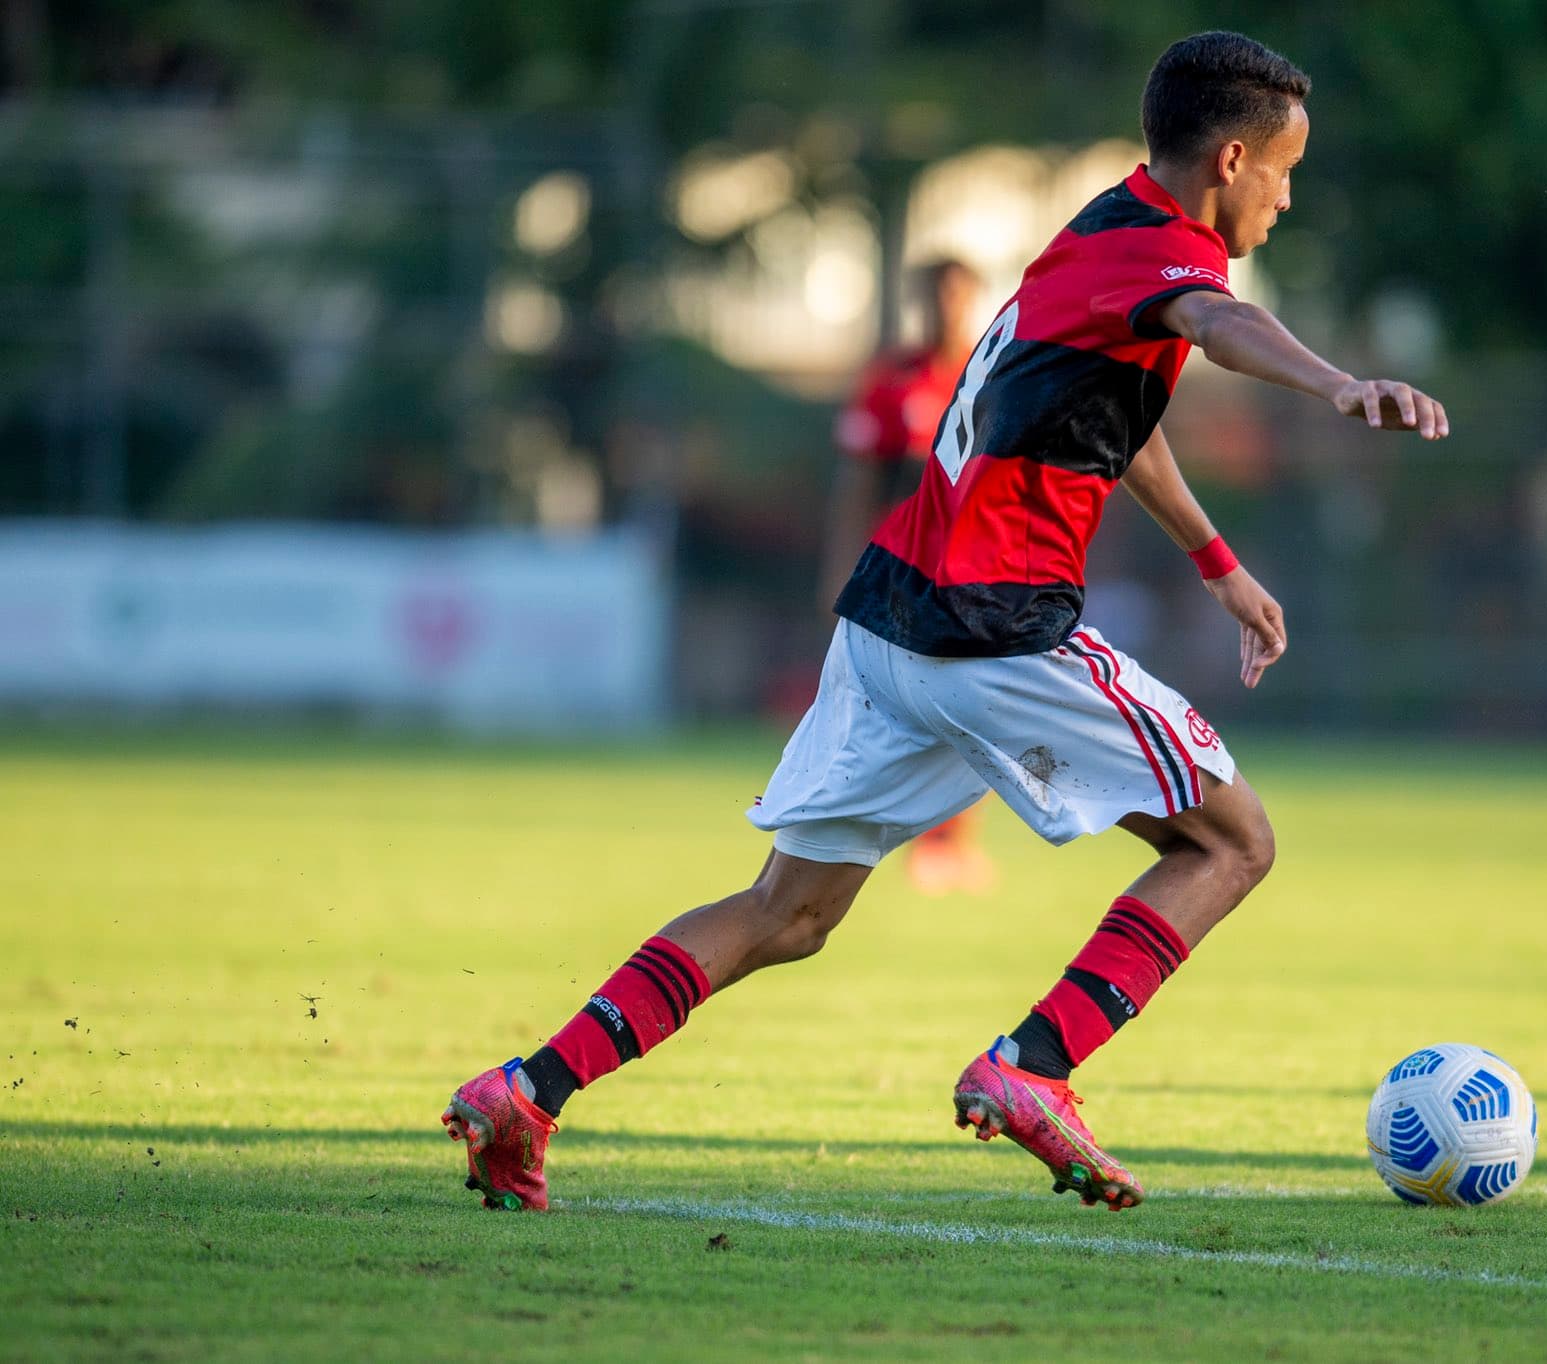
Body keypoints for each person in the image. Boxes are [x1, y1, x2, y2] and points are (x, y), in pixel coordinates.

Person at [443, 29, 1448, 1213]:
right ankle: (1032, 1065)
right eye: (1283, 171)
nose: (1286, 196)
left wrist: (1214, 560)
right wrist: (1336, 384)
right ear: (1230, 159)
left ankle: (525, 1089)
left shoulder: (1103, 232)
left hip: (889, 625)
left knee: (787, 912)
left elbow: (1114, 415)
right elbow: (1219, 327)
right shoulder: (1171, 267)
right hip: (994, 629)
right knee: (1232, 841)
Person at [819, 257, 998, 896]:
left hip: (976, 569)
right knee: (891, 706)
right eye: (937, 294)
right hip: (902, 568)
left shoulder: (993, 371)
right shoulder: (893, 379)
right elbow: (858, 481)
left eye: (959, 295)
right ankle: (862, 833)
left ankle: (949, 844)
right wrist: (839, 567)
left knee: (974, 703)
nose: (947, 307)